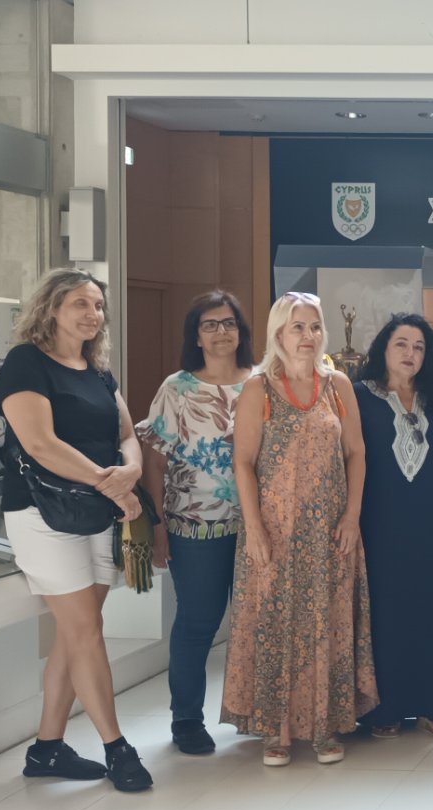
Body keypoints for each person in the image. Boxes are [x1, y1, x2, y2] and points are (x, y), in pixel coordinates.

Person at [0, 268, 152, 792]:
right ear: (52, 308)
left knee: (76, 632)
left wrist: (130, 470)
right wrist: (113, 484)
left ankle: (46, 749)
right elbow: (40, 444)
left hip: (96, 512)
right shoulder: (26, 363)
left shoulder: (98, 370)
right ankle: (117, 747)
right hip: (43, 514)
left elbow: (127, 434)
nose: (93, 313)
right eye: (81, 303)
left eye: (98, 305)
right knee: (85, 631)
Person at [223, 291, 376, 766]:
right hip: (274, 533)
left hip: (330, 533)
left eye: (314, 327)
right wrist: (254, 529)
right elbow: (243, 463)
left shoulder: (338, 385)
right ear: (278, 333)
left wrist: (352, 516)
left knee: (328, 624)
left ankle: (326, 727)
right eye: (297, 327)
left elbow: (356, 453)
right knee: (274, 625)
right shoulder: (258, 389)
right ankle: (276, 731)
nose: (308, 336)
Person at [136, 290, 254, 755]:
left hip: (257, 527)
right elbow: (154, 463)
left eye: (229, 323)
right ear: (196, 336)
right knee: (198, 622)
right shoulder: (178, 389)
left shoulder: (261, 383)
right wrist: (157, 527)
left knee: (258, 622)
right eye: (210, 324)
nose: (221, 331)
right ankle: (186, 719)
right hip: (195, 526)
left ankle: (258, 712)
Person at [354, 313, 433, 740]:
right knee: (383, 616)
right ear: (383, 350)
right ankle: (384, 709)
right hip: (377, 529)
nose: (410, 353)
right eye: (401, 344)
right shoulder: (358, 398)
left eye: (419, 347)